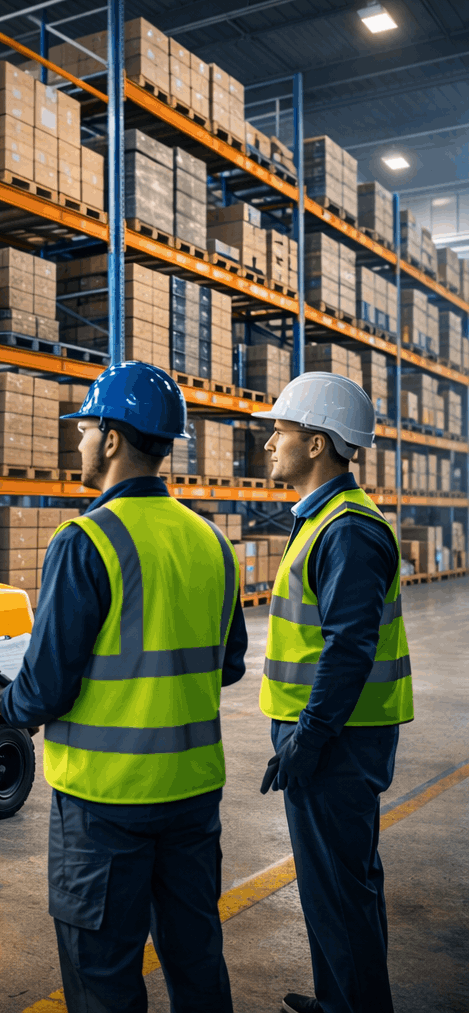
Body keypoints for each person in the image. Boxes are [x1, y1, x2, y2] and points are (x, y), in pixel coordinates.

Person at [0, 361, 246, 1013]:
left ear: (110, 440)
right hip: (192, 796)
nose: (75, 443)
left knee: (103, 978)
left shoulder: (86, 542)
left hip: (105, 804)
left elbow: (44, 689)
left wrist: (7, 701)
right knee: (196, 960)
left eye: (84, 430)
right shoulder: (212, 542)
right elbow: (231, 663)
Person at [252, 372, 411, 1013]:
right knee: (333, 884)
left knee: (340, 888)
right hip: (328, 736)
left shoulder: (347, 530)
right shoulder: (324, 520)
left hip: (337, 742)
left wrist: (308, 740)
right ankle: (338, 1000)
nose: (269, 443)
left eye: (280, 431)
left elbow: (349, 649)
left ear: (316, 444)